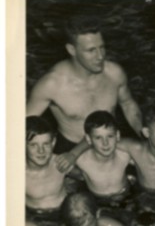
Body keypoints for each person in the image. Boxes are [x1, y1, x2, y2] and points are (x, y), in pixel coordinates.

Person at [26, 16, 143, 172]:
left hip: (110, 140)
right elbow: (21, 126)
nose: (100, 56)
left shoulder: (114, 73)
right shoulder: (52, 85)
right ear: (71, 50)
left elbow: (128, 104)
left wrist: (144, 135)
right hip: (70, 149)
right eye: (91, 50)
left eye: (102, 47)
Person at [75, 110, 134, 209]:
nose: (105, 143)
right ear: (89, 139)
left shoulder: (125, 156)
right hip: (97, 201)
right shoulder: (82, 161)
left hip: (126, 197)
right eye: (98, 138)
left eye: (110, 136)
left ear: (118, 135)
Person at [25, 116, 68, 226]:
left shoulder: (60, 163)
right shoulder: (17, 174)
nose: (41, 151)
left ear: (53, 142)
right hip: (36, 218)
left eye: (46, 144)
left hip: (65, 216)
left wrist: (74, 154)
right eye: (33, 145)